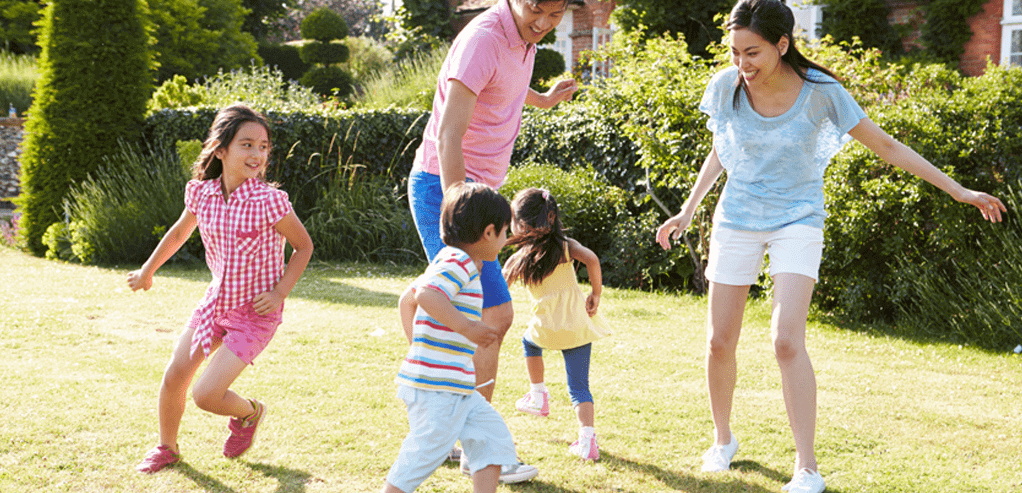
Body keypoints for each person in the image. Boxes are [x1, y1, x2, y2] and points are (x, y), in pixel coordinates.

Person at [654, 1, 1006, 492]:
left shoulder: (822, 94)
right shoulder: (726, 87)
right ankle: (723, 439)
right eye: (734, 52)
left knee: (785, 339)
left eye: (751, 52)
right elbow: (723, 148)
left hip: (797, 219)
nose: (742, 64)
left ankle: (807, 469)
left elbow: (885, 145)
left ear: (782, 44)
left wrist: (958, 190)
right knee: (718, 341)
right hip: (737, 219)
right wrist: (688, 209)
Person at [407, 0, 579, 407]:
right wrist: (459, 208)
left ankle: (447, 419)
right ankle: (475, 434)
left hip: (478, 194)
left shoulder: (523, 40)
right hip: (446, 190)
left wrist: (546, 100)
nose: (544, 23)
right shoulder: (484, 40)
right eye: (536, 9)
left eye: (556, 15)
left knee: (455, 308)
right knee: (493, 315)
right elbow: (449, 134)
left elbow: (507, 88)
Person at [129, 104, 313, 474]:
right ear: (220, 150)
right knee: (175, 375)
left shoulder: (270, 201)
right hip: (215, 306)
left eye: (263, 147)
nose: (258, 154)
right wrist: (148, 270)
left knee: (205, 395)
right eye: (247, 145)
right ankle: (167, 448)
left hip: (255, 315)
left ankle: (249, 412)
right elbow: (180, 232)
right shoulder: (202, 194)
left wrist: (279, 293)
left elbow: (303, 246)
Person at [385, 182, 538, 493]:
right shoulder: (458, 262)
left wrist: (418, 346)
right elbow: (426, 295)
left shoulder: (452, 260)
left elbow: (408, 299)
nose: (507, 239)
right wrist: (468, 329)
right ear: (489, 232)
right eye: (506, 232)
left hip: (455, 386)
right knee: (427, 451)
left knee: (491, 438)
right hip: (438, 387)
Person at [502, 188, 611, 461]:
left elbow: (502, 285)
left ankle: (538, 395)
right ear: (551, 217)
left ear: (519, 224)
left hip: (545, 330)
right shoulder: (566, 246)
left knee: (528, 342)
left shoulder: (520, 257)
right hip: (576, 327)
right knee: (579, 387)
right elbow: (593, 259)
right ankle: (587, 442)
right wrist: (595, 293)